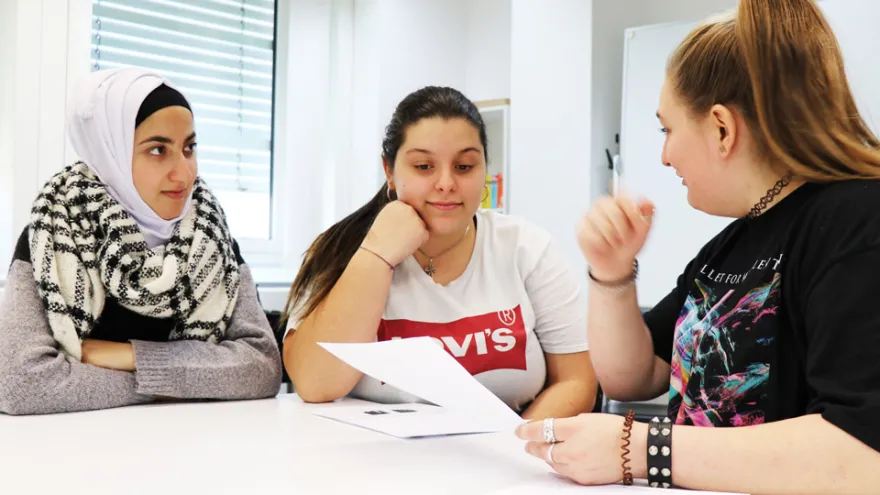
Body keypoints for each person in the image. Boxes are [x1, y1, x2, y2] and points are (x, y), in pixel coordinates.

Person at [515, 0, 880, 492]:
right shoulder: (730, 244)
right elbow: (635, 376)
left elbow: (861, 451)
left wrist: (642, 450)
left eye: (667, 129)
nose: (665, 156)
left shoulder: (857, 221)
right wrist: (612, 275)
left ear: (722, 128)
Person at [282, 86, 597, 419]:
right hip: (375, 463)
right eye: (423, 166)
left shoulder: (528, 248)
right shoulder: (341, 248)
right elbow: (315, 385)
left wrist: (513, 447)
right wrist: (377, 254)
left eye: (464, 166)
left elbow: (576, 381)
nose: (446, 183)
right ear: (389, 170)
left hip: (503, 464)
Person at [0, 68, 282, 415]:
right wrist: (185, 383)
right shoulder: (53, 235)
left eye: (189, 147)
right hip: (78, 457)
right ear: (109, 153)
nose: (185, 172)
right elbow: (22, 384)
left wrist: (131, 357)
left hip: (192, 450)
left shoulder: (212, 239)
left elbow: (263, 368)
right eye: (158, 150)